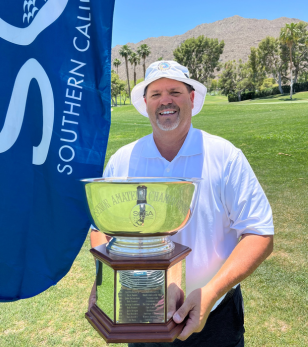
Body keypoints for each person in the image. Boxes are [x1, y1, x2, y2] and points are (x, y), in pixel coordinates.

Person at [90, 61, 274, 347]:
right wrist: (104, 281)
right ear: (145, 102)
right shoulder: (123, 161)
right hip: (141, 310)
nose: (165, 100)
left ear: (191, 98)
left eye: (174, 91)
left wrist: (210, 293)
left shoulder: (225, 156)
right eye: (156, 94)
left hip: (215, 315)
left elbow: (259, 233)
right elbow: (101, 230)